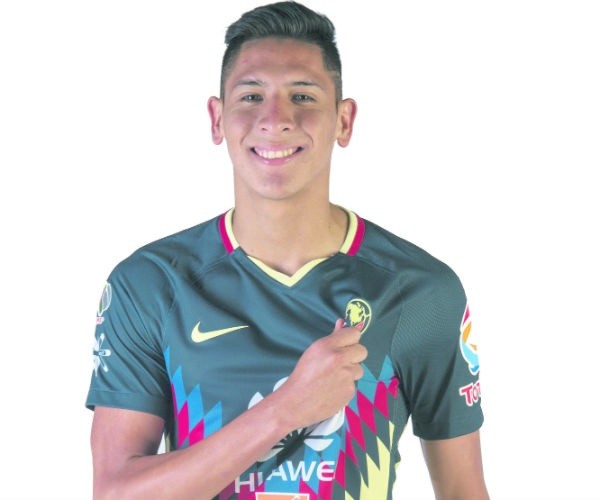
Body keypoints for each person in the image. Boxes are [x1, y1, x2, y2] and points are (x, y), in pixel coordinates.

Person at [86, 2, 489, 499]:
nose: (275, 119)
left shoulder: (421, 291)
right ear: (217, 118)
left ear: (344, 121)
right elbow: (115, 493)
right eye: (251, 96)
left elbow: (464, 490)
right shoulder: (150, 285)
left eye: (302, 96)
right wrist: (287, 409)